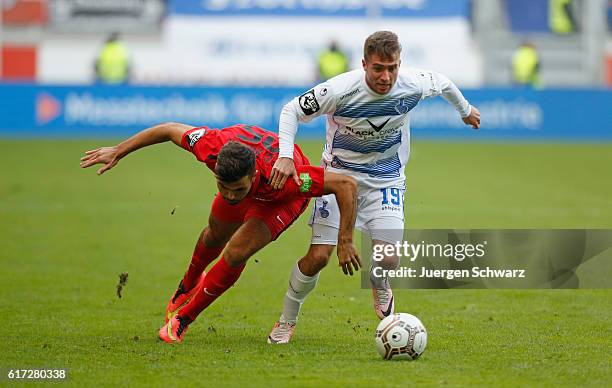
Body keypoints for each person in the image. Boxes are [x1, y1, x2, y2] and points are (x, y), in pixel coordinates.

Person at [267, 30, 481, 344]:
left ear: (399, 64)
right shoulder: (340, 89)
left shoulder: (413, 84)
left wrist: (465, 111)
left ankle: (379, 283)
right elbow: (292, 110)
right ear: (365, 64)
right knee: (319, 257)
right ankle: (287, 320)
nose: (386, 76)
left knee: (388, 259)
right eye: (378, 68)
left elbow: (445, 83)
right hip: (338, 181)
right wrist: (286, 156)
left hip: (386, 180)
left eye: (392, 67)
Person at [79, 122, 361, 343]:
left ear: (252, 177)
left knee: (236, 252)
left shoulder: (290, 179)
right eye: (222, 186)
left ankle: (183, 320)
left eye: (237, 188)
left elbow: (346, 185)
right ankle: (187, 284)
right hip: (255, 183)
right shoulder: (211, 146)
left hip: (279, 200)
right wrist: (119, 150)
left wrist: (345, 240)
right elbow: (167, 129)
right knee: (214, 235)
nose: (229, 194)